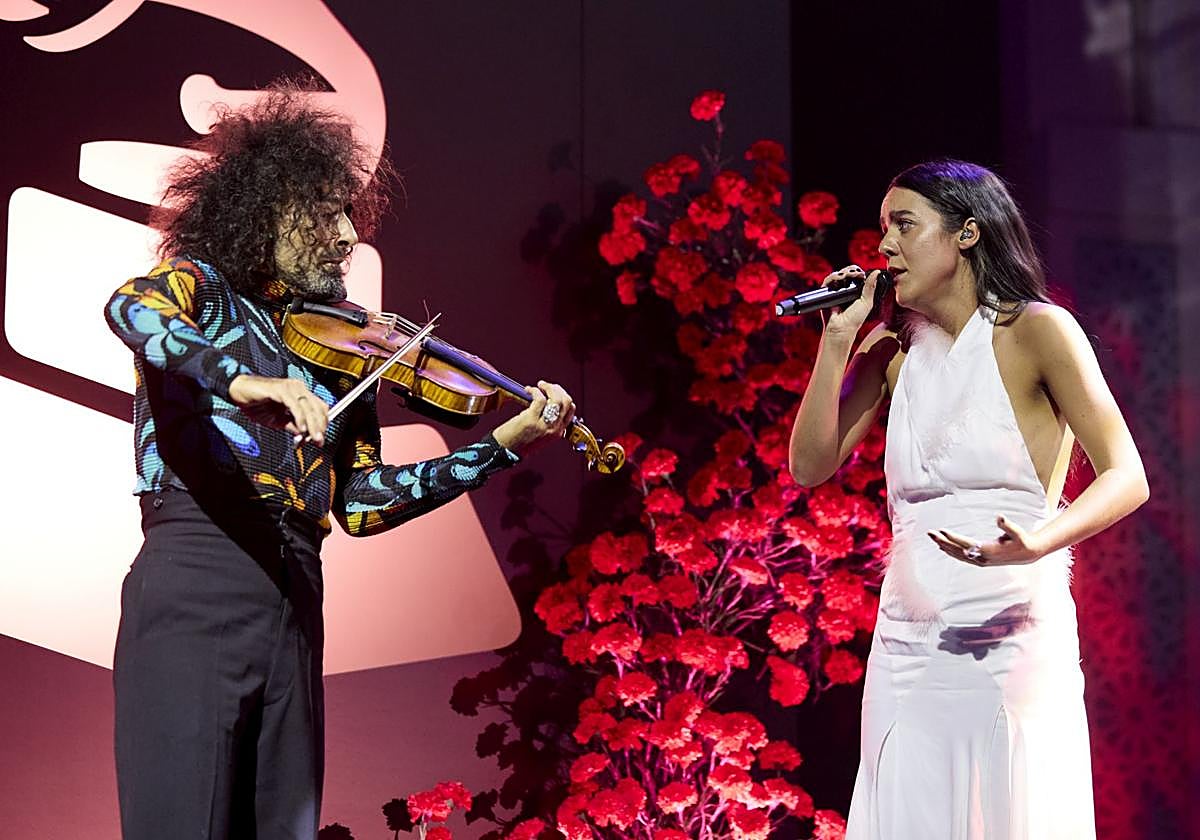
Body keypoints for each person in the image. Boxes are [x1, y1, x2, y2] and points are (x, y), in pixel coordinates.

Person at [103, 87, 575, 840]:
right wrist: (241, 379)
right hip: (199, 581)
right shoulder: (203, 288)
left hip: (295, 605)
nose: (348, 234)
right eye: (326, 212)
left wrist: (499, 446)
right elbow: (131, 308)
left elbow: (358, 503)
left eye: (350, 214)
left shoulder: (335, 351)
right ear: (265, 212)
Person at [788, 160, 1147, 839]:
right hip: (906, 642)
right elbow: (810, 466)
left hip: (1009, 633)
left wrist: (1042, 540)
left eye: (904, 225)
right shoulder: (891, 349)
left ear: (967, 234)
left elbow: (1127, 474)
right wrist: (837, 341)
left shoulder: (1040, 331)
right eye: (881, 229)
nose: (883, 247)